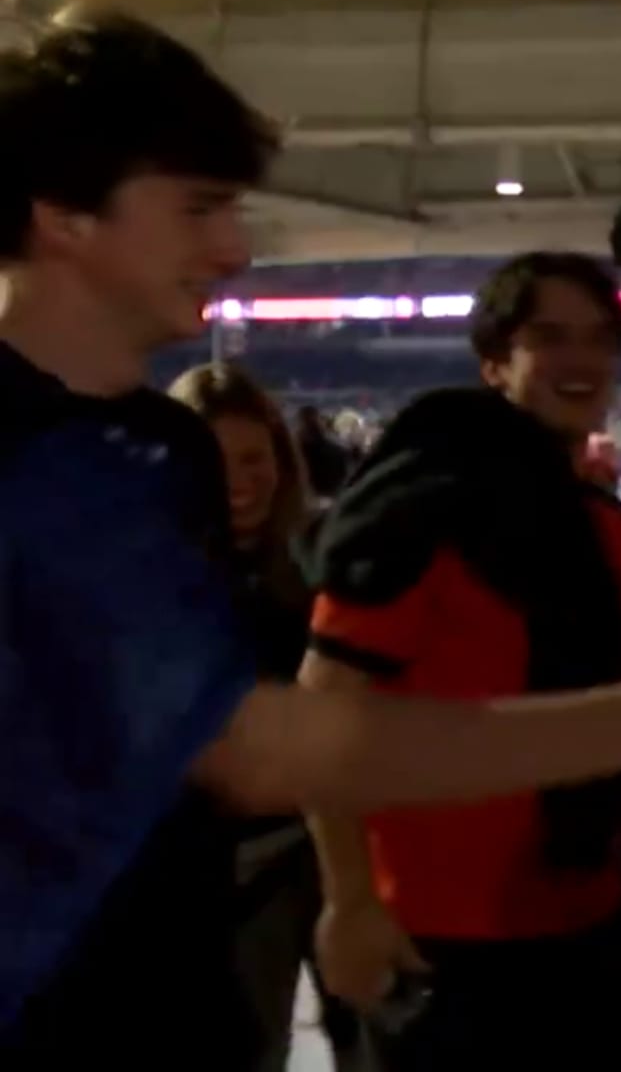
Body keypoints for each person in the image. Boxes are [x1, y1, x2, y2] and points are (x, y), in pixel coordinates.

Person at [0, 10, 621, 1065]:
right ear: (66, 214)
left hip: (169, 981)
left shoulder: (160, 447)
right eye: (199, 206)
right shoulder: (39, 457)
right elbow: (261, 745)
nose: (236, 246)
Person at [304, 252, 621, 1072]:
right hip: (437, 937)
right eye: (549, 337)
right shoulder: (418, 509)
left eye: (600, 340)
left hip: (589, 919)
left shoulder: (612, 536)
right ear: (495, 360)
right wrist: (349, 899)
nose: (581, 361)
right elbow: (322, 707)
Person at [168, 364, 364, 1070]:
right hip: (221, 868)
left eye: (254, 457)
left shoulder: (321, 562)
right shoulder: (151, 578)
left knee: (368, 1033)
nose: (240, 480)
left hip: (332, 843)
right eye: (215, 462)